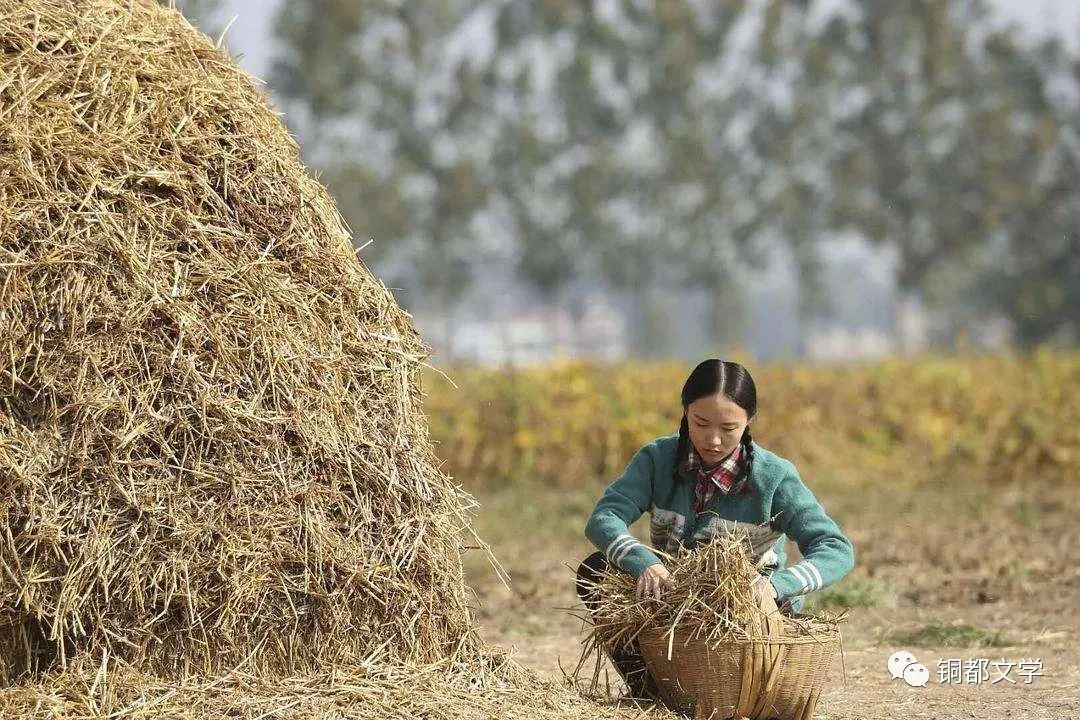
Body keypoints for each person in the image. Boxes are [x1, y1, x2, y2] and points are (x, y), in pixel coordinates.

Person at [575, 359, 855, 700]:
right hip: (671, 596)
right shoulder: (656, 460)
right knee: (595, 570)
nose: (714, 440)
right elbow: (604, 518)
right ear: (685, 411)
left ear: (749, 421)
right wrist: (644, 562)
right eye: (701, 423)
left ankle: (726, 691)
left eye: (729, 427)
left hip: (747, 608)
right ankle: (651, 688)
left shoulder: (774, 477)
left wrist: (774, 588)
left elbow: (835, 547)